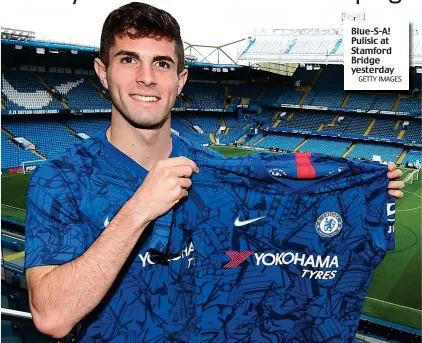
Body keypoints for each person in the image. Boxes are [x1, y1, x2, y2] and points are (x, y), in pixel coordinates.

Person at [24, 2, 405, 342]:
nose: (146, 77)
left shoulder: (219, 175)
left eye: (162, 63)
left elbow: (257, 259)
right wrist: (139, 209)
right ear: (102, 72)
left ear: (180, 80)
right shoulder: (59, 180)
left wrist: (362, 193)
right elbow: (53, 317)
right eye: (128, 60)